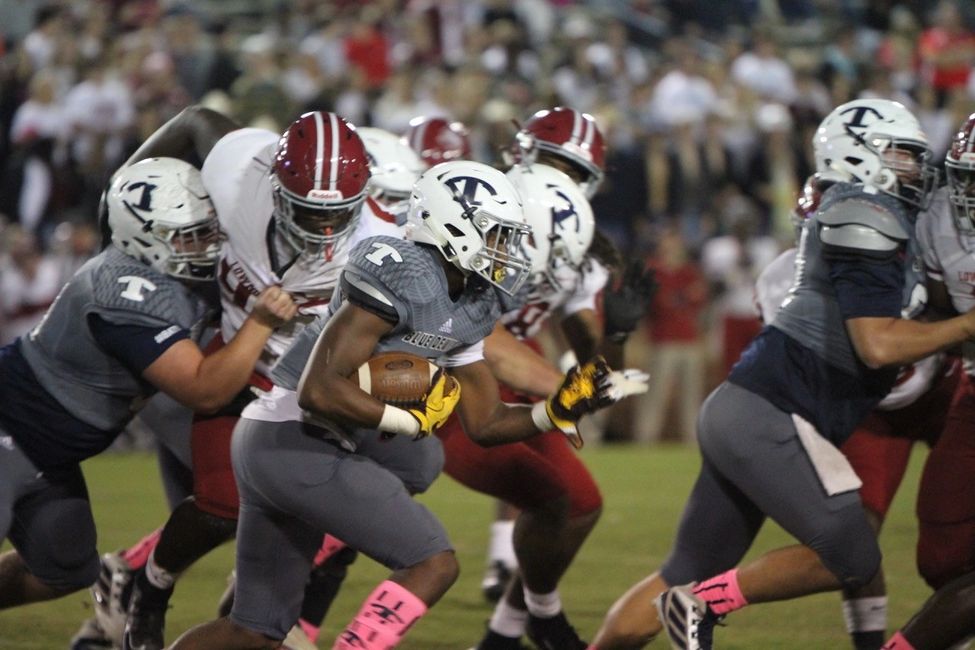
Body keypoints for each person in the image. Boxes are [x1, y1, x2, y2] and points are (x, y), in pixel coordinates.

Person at [166, 160, 645, 650]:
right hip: (296, 435)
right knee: (434, 562)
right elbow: (319, 389)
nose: (508, 249)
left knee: (250, 630)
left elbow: (486, 421)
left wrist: (554, 411)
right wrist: (406, 417)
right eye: (497, 233)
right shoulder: (405, 271)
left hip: (287, 442)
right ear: (452, 224)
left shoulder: (472, 299)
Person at [588, 98, 975, 650]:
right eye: (901, 154)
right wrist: (966, 325)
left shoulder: (874, 216)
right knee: (852, 553)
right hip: (771, 416)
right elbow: (877, 344)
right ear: (861, 155)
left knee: (683, 568)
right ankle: (701, 605)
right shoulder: (865, 213)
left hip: (754, 411)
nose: (915, 168)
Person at [78, 107, 398, 650]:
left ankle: (234, 606)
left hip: (310, 391)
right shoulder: (239, 171)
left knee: (357, 496)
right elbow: (197, 121)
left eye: (337, 214)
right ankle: (149, 590)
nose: (323, 228)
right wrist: (116, 200)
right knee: (225, 504)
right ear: (275, 185)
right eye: (307, 211)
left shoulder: (385, 247)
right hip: (230, 358)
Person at [0, 157, 295, 612]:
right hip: (11, 427)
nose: (203, 247)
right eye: (187, 237)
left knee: (65, 565)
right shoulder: (123, 288)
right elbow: (204, 389)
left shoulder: (163, 273)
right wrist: (261, 321)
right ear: (142, 236)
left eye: (205, 232)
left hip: (48, 451)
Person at [878, 111, 975, 650]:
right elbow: (939, 306)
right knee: (942, 556)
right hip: (973, 385)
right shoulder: (941, 214)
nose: (972, 191)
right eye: (968, 176)